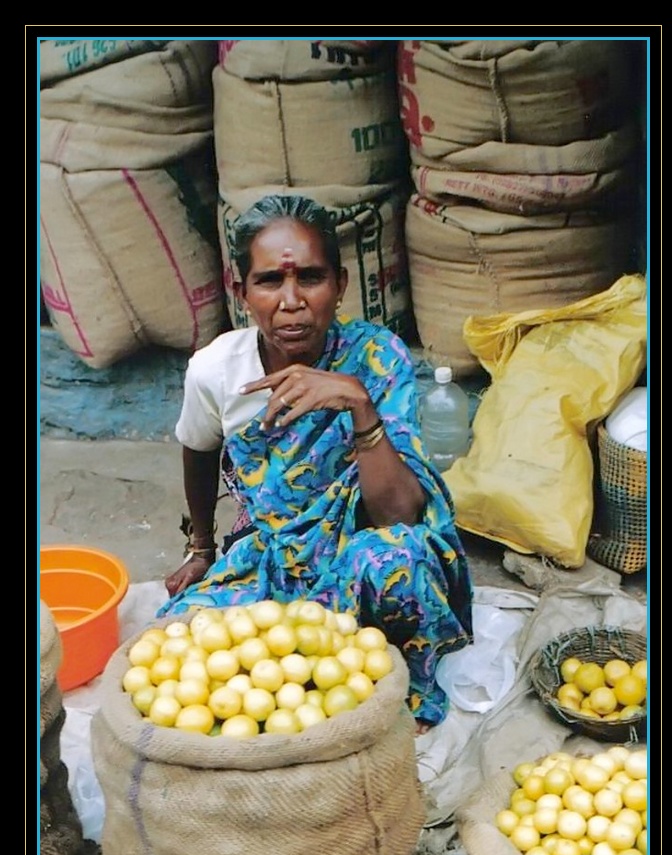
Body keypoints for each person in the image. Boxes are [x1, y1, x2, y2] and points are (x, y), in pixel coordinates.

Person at [158, 193, 473, 732]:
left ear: (341, 285)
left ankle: (405, 687)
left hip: (360, 546)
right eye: (269, 282)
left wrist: (358, 404)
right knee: (178, 642)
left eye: (310, 277)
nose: (291, 301)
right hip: (274, 555)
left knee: (397, 560)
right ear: (241, 292)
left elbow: (398, 515)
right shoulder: (216, 370)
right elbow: (199, 448)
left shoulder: (376, 359)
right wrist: (201, 548)